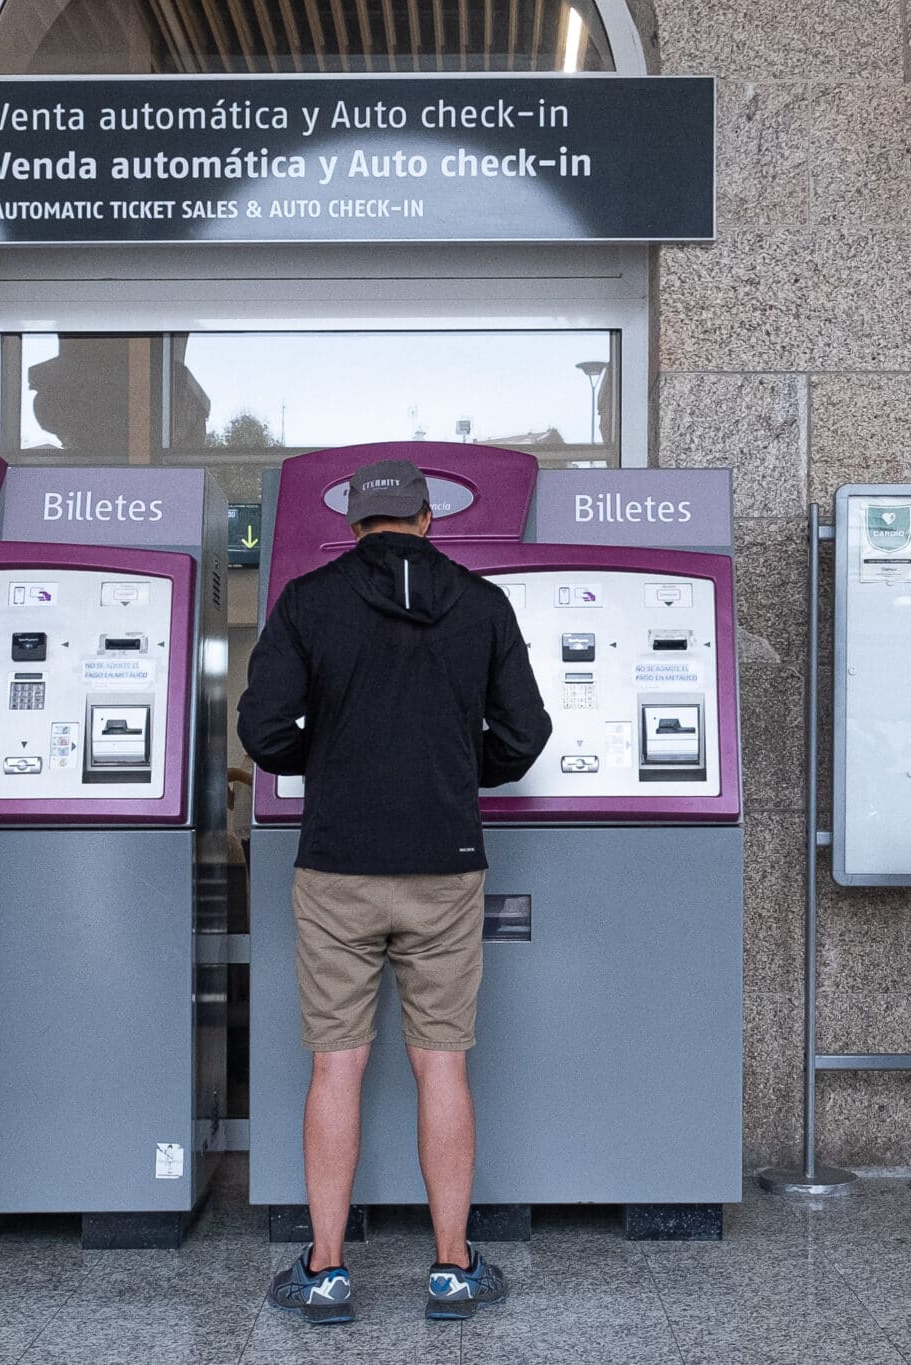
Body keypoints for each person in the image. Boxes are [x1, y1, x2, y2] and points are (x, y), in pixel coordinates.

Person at [238, 459, 553, 1324]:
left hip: (337, 862)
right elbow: (525, 732)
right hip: (445, 861)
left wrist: (331, 761)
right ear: (425, 519)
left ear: (353, 523)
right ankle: (451, 1268)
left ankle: (326, 1270)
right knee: (441, 1059)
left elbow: (262, 728)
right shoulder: (482, 603)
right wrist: (457, 771)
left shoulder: (308, 600)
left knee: (336, 1062)